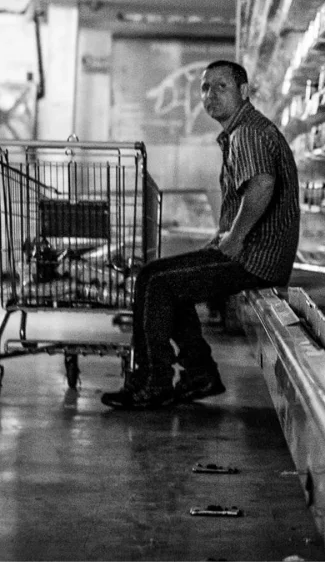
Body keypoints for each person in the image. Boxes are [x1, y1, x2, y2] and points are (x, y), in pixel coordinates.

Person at [101, 60, 300, 409]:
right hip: (258, 254)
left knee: (155, 280)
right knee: (165, 281)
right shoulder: (244, 130)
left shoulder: (247, 132)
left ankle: (153, 381)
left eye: (221, 87)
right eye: (205, 88)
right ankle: (198, 373)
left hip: (255, 257)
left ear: (243, 91)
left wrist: (235, 238)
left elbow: (262, 184)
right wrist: (223, 237)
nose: (210, 95)